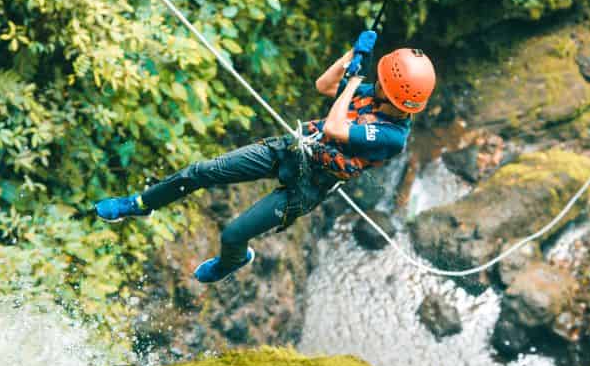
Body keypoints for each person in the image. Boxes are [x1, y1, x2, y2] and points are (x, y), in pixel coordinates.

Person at [94, 31, 436, 283]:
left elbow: (334, 127)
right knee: (201, 171)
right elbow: (324, 86)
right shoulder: (374, 96)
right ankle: (140, 204)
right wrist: (351, 55)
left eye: (381, 83)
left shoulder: (393, 137)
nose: (375, 84)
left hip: (307, 186)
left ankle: (233, 260)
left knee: (232, 235)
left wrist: (354, 80)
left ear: (396, 98)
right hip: (290, 150)